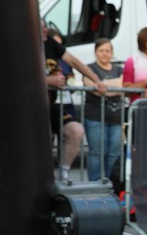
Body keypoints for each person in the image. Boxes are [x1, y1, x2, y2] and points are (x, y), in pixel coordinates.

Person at [43, 21, 106, 185]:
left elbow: (74, 62)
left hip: (55, 104)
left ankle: (63, 174)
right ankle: (43, 179)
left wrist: (96, 80)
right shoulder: (24, 44)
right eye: (41, 27)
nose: (45, 30)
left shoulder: (50, 43)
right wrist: (49, 80)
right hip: (33, 106)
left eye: (45, 26)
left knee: (76, 131)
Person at [83, 38, 124, 183]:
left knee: (114, 153)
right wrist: (114, 88)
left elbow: (123, 85)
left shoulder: (119, 69)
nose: (104, 54)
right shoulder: (89, 68)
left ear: (112, 53)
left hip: (117, 117)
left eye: (107, 51)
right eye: (101, 50)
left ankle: (110, 182)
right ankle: (94, 182)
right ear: (95, 52)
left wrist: (101, 85)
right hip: (94, 117)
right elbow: (92, 88)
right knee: (96, 152)